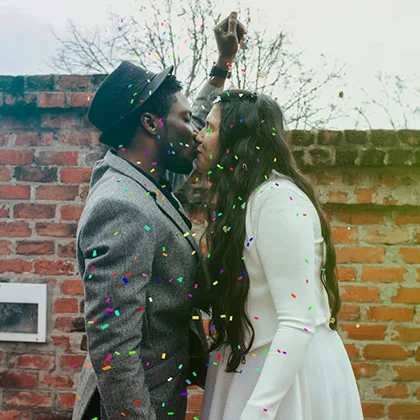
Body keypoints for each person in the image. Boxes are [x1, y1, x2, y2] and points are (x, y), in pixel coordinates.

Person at [71, 12, 246, 420]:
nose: (197, 132)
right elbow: (113, 345)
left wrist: (221, 67)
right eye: (186, 121)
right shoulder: (123, 206)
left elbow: (191, 119)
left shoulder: (142, 178)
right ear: (150, 124)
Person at [194, 90, 364, 420]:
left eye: (210, 128)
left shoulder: (278, 202)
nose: (200, 136)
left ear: (236, 138)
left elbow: (297, 320)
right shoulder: (243, 203)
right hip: (251, 368)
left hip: (285, 382)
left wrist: (257, 412)